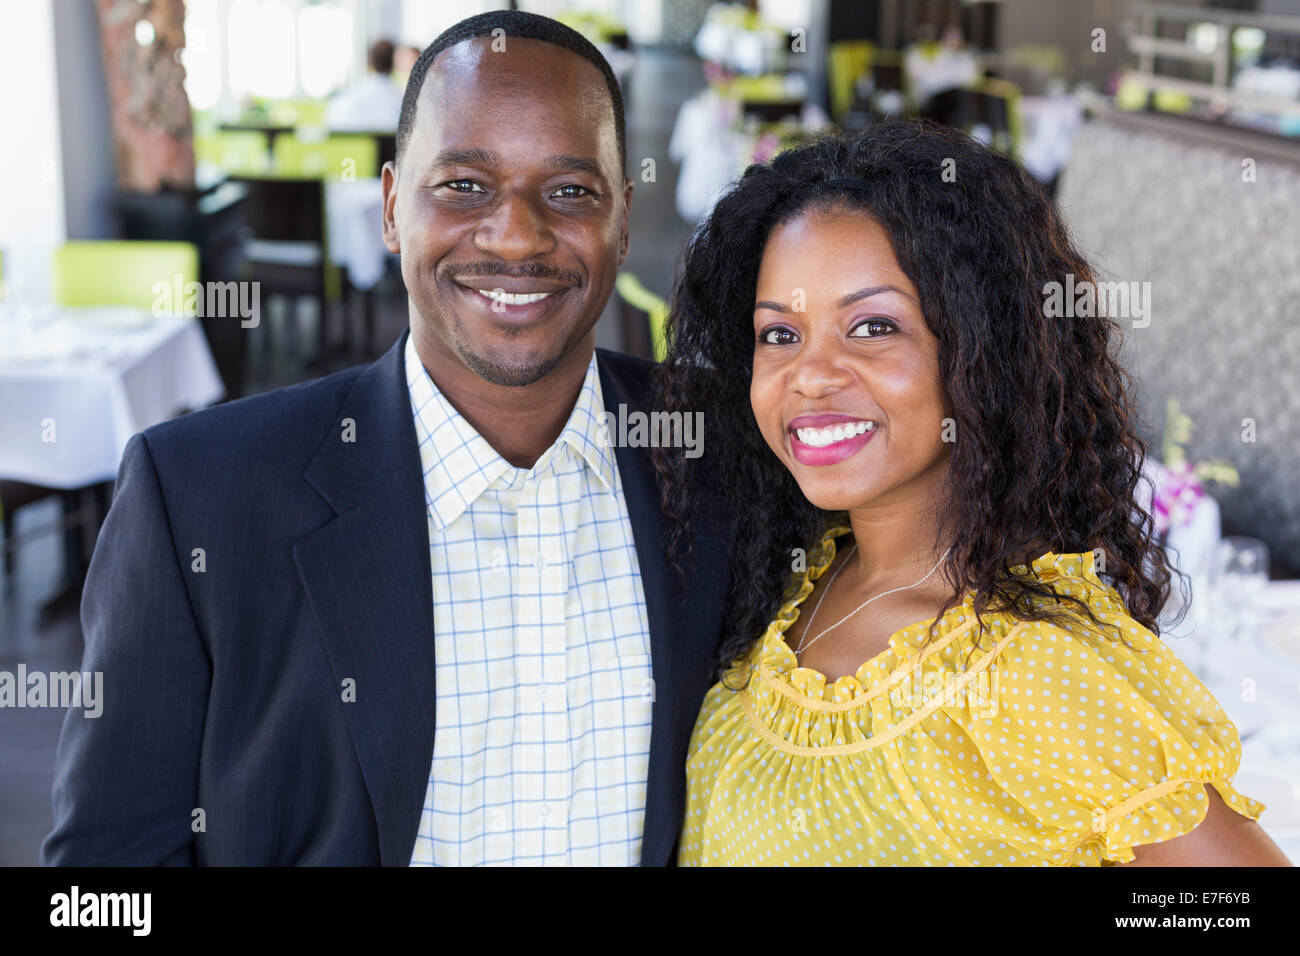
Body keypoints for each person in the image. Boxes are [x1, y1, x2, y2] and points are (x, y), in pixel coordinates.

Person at [42, 11, 731, 867]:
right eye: (464, 185)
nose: (516, 234)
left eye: (571, 191)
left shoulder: (725, 451)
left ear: (624, 220)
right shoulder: (197, 501)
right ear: (391, 207)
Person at [655, 121, 1291, 866]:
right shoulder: (789, 577)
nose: (813, 374)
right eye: (779, 334)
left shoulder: (1027, 668)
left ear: (983, 354)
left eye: (872, 326)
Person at [326, 38, 404, 132]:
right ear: (394, 62)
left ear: (370, 61)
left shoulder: (351, 98)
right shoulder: (401, 99)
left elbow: (333, 119)